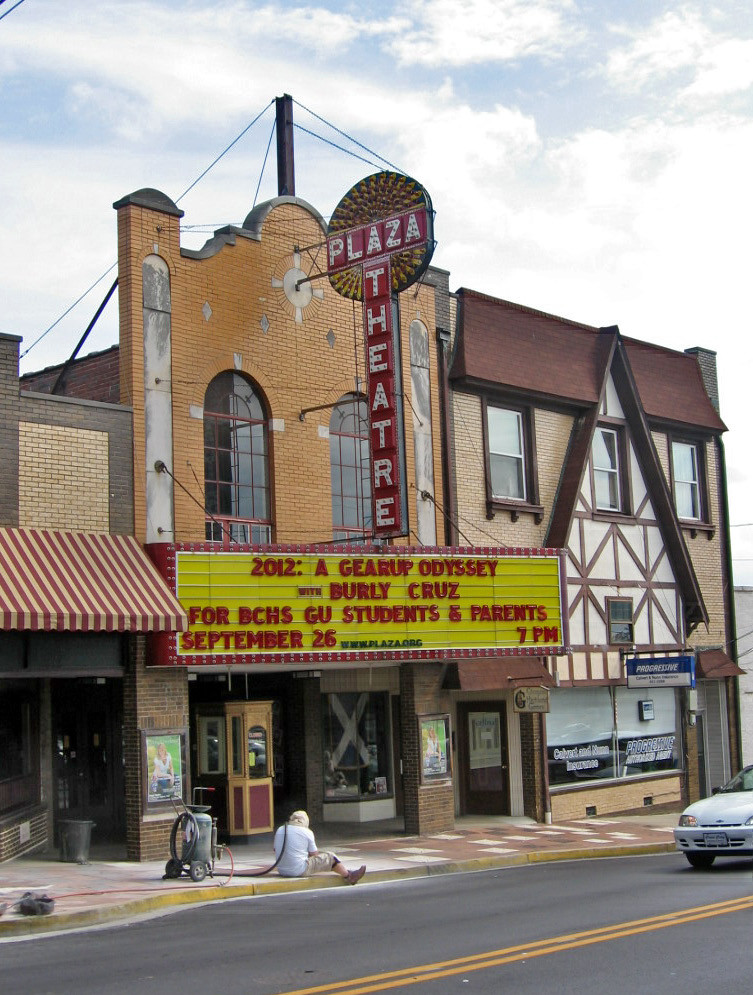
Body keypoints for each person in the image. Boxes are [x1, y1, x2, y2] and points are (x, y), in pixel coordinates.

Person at [273, 810, 366, 884]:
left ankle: (346, 872)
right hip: (297, 870)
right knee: (330, 857)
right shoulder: (307, 832)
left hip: (281, 870)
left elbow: (275, 850)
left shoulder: (280, 829)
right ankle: (349, 876)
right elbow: (314, 854)